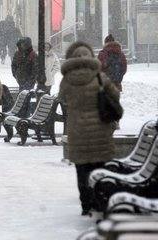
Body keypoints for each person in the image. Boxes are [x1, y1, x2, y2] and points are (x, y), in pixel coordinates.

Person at [58, 41, 119, 216]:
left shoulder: (67, 79)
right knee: (100, 167)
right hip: (100, 129)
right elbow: (114, 94)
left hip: (78, 131)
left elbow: (61, 98)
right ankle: (100, 201)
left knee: (82, 169)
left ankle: (86, 204)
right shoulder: (100, 76)